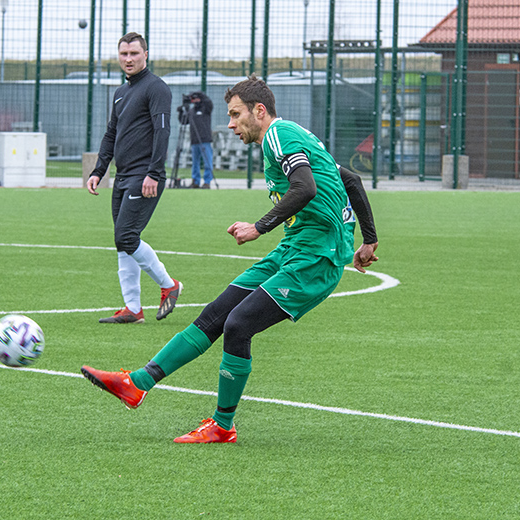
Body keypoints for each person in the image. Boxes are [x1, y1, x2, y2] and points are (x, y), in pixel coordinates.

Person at [81, 74, 380, 443]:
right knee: (215, 314)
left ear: (259, 110)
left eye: (236, 114)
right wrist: (369, 240)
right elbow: (349, 180)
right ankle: (136, 384)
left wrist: (259, 226)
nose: (230, 123)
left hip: (317, 258)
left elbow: (306, 187)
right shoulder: (288, 137)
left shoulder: (278, 135)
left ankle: (223, 426)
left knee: (238, 325)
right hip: (294, 248)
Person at [86, 32, 182, 324]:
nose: (128, 59)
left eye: (134, 54)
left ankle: (169, 285)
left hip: (145, 176)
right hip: (123, 176)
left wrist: (154, 172)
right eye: (124, 54)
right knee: (123, 242)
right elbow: (111, 134)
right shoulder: (120, 93)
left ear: (146, 55)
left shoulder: (157, 89)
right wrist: (99, 170)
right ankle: (133, 309)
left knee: (126, 235)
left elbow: (162, 131)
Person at [185, 91, 214, 188]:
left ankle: (207, 182)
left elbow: (208, 101)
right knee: (195, 163)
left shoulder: (206, 108)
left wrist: (198, 94)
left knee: (207, 162)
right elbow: (183, 121)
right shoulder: (191, 111)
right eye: (194, 99)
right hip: (194, 141)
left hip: (205, 140)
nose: (195, 100)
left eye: (197, 98)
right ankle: (195, 181)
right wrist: (181, 111)